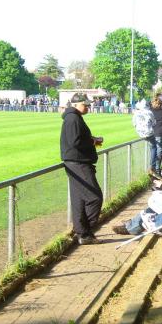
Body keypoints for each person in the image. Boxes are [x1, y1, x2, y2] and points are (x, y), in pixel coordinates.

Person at [60, 93, 104, 245]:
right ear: (76, 104)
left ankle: (82, 233)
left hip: (76, 162)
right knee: (95, 197)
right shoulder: (72, 118)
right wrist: (93, 142)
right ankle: (85, 231)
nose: (88, 107)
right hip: (78, 163)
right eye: (85, 105)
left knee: (78, 200)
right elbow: (75, 142)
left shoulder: (74, 117)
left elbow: (77, 139)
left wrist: (92, 140)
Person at [132, 99, 158, 177]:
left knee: (152, 146)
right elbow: (154, 123)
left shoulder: (136, 113)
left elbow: (133, 123)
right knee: (154, 148)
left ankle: (152, 166)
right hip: (149, 133)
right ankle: (152, 166)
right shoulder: (149, 112)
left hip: (139, 132)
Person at [151, 97, 162, 177]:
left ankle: (153, 168)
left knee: (153, 151)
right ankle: (156, 169)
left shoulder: (150, 111)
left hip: (152, 134)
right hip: (159, 134)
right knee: (159, 151)